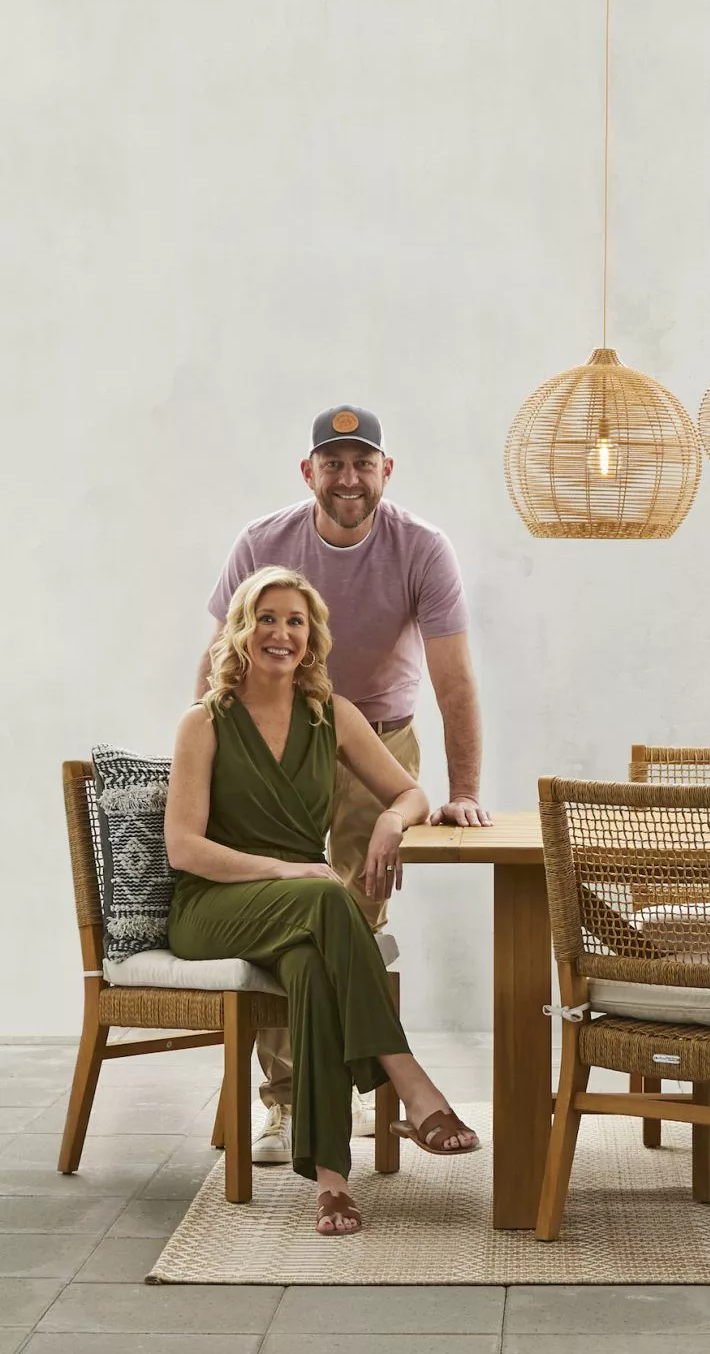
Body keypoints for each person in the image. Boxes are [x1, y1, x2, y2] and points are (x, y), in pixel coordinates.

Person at [199, 405, 490, 1163]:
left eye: (364, 462)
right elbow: (214, 659)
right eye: (334, 463)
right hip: (271, 738)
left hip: (375, 739)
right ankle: (290, 1106)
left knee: (350, 910)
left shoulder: (422, 547)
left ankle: (337, 1087)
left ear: (386, 471)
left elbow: (453, 679)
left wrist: (455, 791)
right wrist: (203, 755)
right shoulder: (263, 542)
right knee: (286, 914)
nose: (349, 477)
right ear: (309, 472)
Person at [167, 567, 479, 1235]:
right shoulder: (204, 722)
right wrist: (287, 870)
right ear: (240, 631)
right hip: (213, 908)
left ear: (311, 639)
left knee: (312, 964)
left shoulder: (331, 715)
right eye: (266, 618)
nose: (281, 632)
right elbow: (184, 849)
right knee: (330, 897)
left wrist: (394, 821)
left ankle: (332, 1184)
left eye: (296, 621)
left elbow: (411, 792)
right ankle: (408, 1080)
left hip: (298, 912)